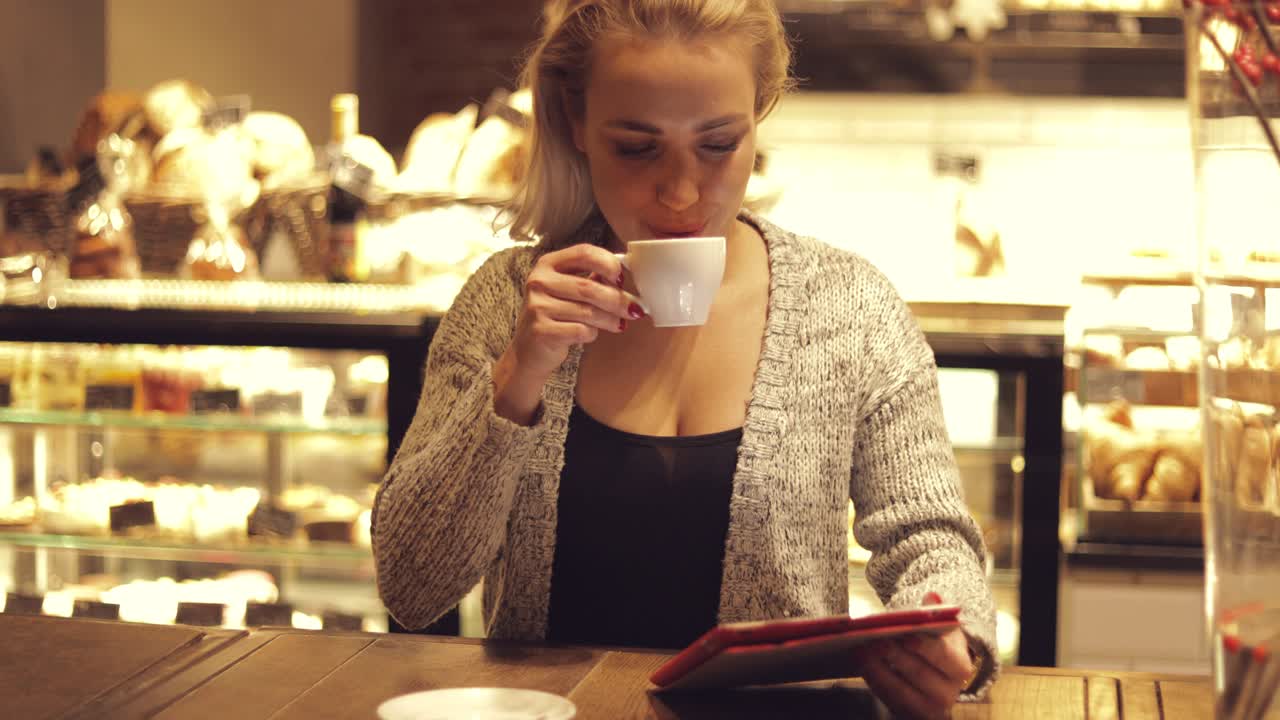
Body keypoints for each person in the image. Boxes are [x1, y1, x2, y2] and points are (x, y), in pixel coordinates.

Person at [372, 0, 999, 716]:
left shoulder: (848, 307)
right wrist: (517, 378)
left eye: (719, 144)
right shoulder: (505, 304)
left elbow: (927, 537)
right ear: (575, 122)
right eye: (637, 148)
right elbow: (412, 588)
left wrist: (948, 636)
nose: (680, 192)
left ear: (759, 115)